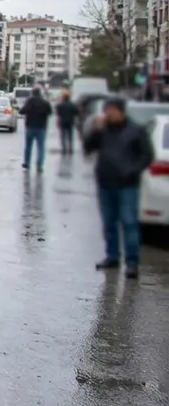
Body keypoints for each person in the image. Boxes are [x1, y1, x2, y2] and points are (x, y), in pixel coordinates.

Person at [83, 97, 153, 279]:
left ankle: (132, 263)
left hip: (127, 185)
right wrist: (95, 130)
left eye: (112, 110)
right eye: (107, 110)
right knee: (109, 223)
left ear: (121, 111)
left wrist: (132, 171)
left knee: (129, 223)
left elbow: (146, 156)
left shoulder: (136, 130)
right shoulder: (103, 130)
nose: (108, 113)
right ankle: (112, 257)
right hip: (105, 183)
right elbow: (88, 148)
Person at [19, 87, 53, 171]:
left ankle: (27, 163)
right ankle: (39, 165)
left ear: (32, 93)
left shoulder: (29, 102)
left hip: (30, 126)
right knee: (41, 147)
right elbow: (50, 112)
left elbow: (22, 111)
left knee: (28, 146)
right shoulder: (45, 102)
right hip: (41, 127)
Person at [55, 89, 80, 155]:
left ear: (63, 97)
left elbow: (58, 113)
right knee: (70, 136)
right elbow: (77, 112)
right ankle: (70, 149)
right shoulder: (72, 104)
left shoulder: (60, 105)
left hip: (62, 122)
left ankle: (64, 149)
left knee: (63, 136)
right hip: (70, 122)